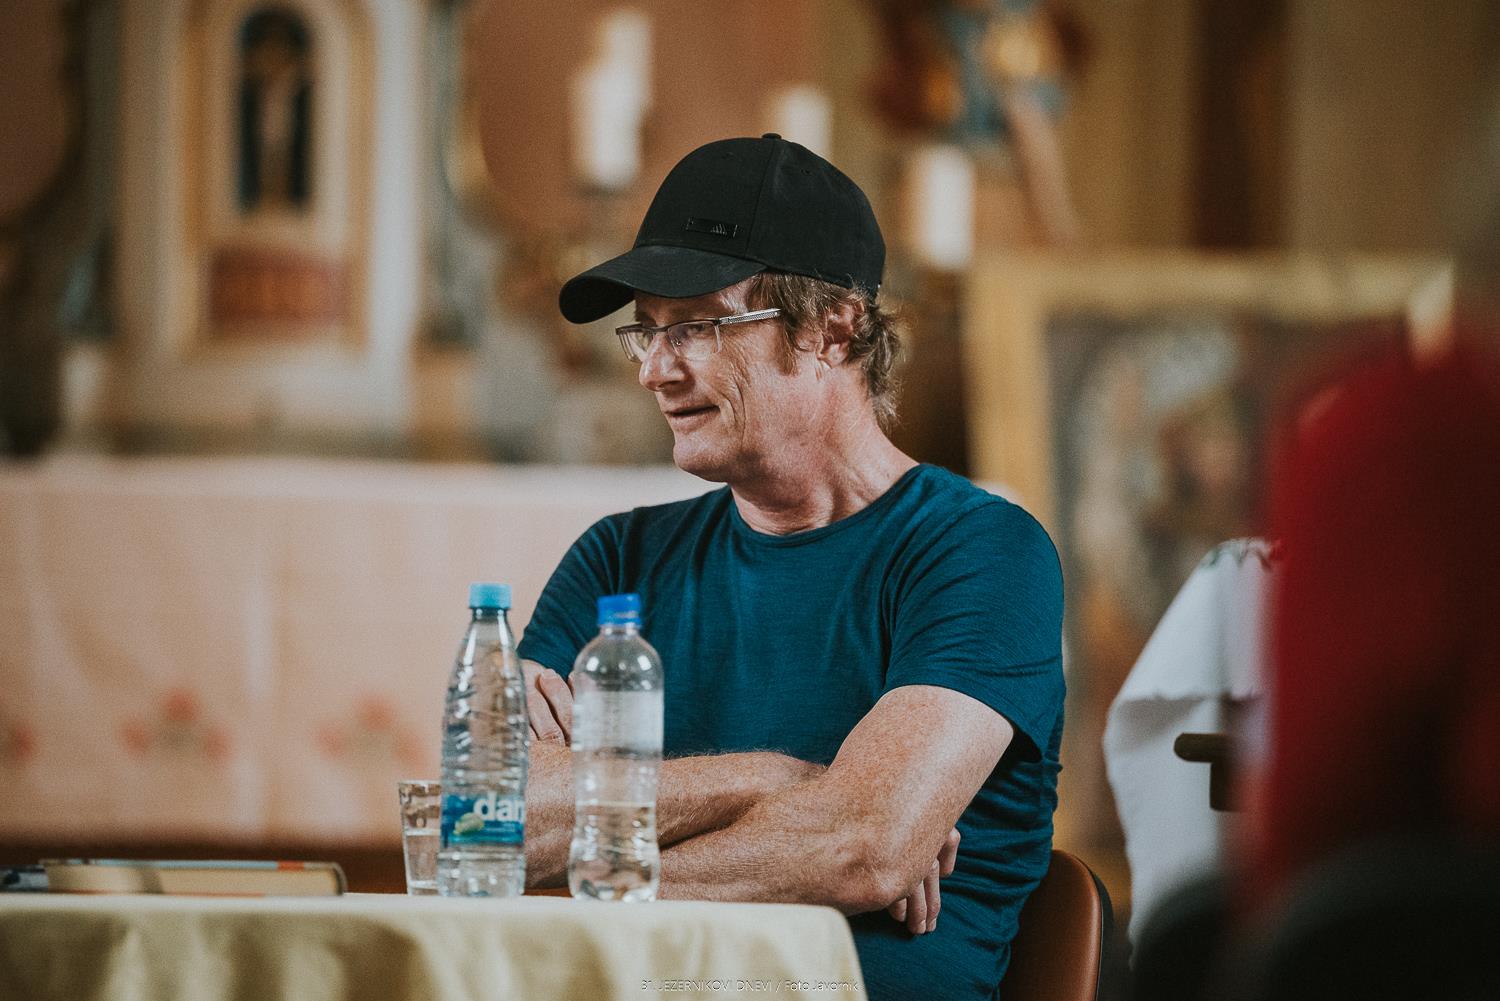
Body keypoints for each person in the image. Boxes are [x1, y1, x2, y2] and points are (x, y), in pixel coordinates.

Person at [516, 134, 1065, 1001]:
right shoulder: (615, 559)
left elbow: (863, 847)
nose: (654, 369)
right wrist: (779, 780)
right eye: (646, 330)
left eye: (696, 326)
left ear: (831, 328)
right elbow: (498, 823)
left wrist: (597, 873)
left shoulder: (981, 551)